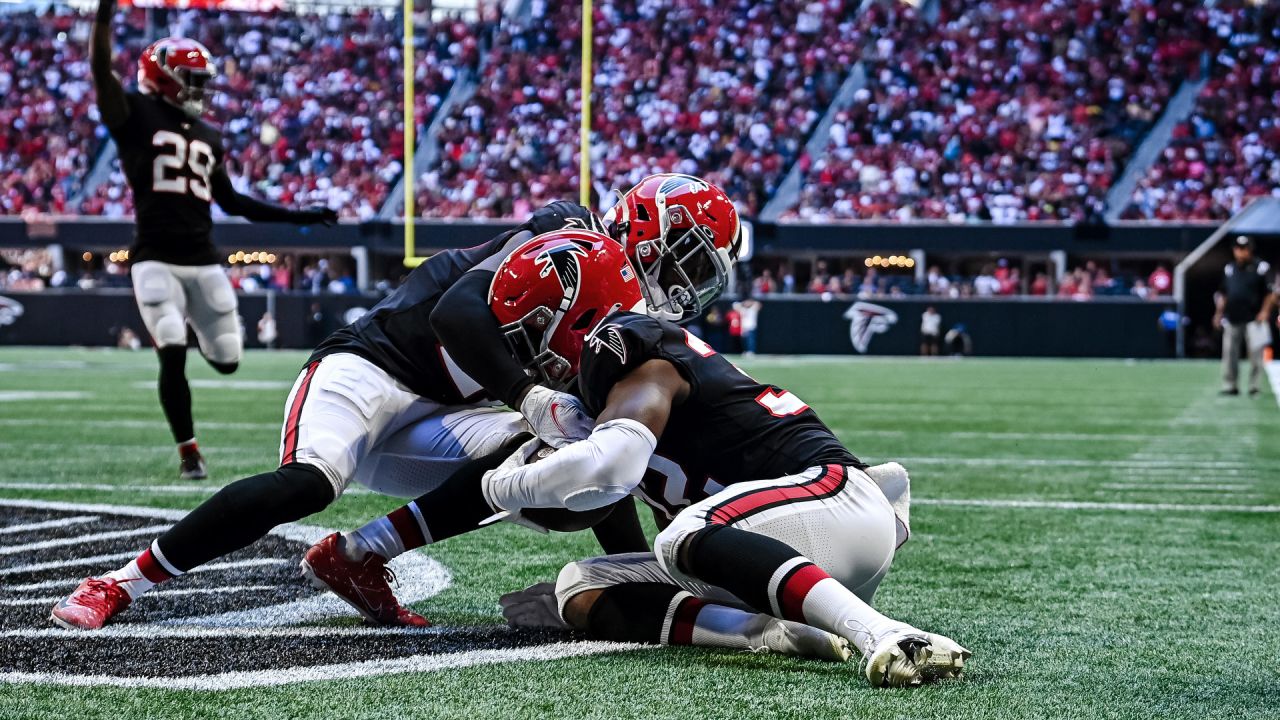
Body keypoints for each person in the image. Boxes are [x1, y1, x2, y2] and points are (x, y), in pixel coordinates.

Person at [50, 175, 744, 630]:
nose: (687, 286)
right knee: (307, 483)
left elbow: (607, 470)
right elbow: (455, 313)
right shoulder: (568, 237)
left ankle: (359, 553)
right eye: (687, 259)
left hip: (445, 415)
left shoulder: (623, 325)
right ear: (651, 229)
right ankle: (118, 582)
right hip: (372, 367)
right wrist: (529, 395)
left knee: (577, 457)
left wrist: (637, 570)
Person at [309, 234, 969, 688]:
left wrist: (508, 486)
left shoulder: (621, 340)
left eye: (530, 334)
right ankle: (789, 636)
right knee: (577, 588)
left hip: (829, 502)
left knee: (688, 535)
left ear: (573, 314)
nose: (529, 357)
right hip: (771, 548)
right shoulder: (600, 378)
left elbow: (616, 465)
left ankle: (881, 633)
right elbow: (599, 493)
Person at [90, 0, 337, 479]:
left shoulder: (208, 134)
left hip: (203, 258)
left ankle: (190, 333)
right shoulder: (135, 114)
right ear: (165, 77)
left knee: (226, 360)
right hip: (154, 257)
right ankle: (189, 452)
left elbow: (234, 203)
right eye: (193, 79)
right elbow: (101, 70)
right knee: (170, 347)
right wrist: (104, 13)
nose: (201, 90)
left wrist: (297, 216)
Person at [1214, 236, 1277, 396]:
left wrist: (1264, 311)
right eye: (1238, 248)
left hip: (1254, 317)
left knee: (1256, 353)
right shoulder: (1230, 268)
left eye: (1244, 248)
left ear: (1250, 249)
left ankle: (1254, 386)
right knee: (1229, 353)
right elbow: (1224, 294)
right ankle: (1230, 385)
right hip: (1232, 316)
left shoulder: (1260, 267)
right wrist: (1218, 313)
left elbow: (1270, 293)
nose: (1241, 252)